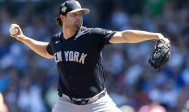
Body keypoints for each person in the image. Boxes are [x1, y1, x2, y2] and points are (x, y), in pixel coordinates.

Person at [9, 0, 170, 112]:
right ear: (62, 18)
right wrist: (24, 38)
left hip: (97, 103)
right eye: (74, 14)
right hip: (66, 104)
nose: (79, 17)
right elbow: (46, 51)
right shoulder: (56, 41)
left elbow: (124, 35)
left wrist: (155, 36)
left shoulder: (92, 35)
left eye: (80, 14)